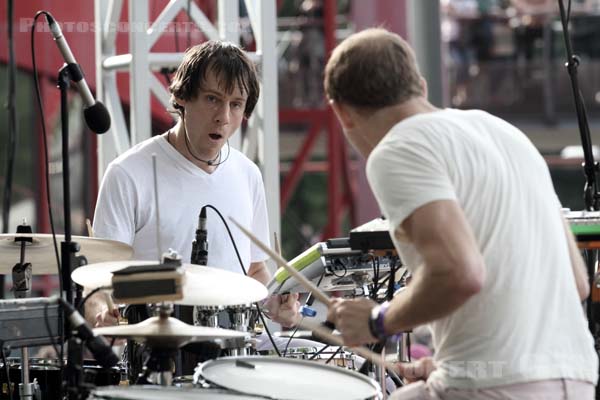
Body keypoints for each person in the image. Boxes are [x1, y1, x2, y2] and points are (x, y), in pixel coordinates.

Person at [324, 27, 598, 399]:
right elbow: (577, 281)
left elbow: (460, 272)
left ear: (342, 112)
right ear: (420, 86)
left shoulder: (398, 148)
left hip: (495, 387)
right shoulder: (504, 133)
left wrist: (377, 320)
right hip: (575, 380)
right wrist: (451, 364)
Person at [91, 40, 299, 330]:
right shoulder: (127, 173)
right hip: (158, 352)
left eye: (236, 104)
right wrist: (102, 311)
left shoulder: (247, 174)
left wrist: (275, 302)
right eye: (212, 99)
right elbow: (95, 282)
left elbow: (254, 270)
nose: (223, 118)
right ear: (183, 98)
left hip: (235, 348)